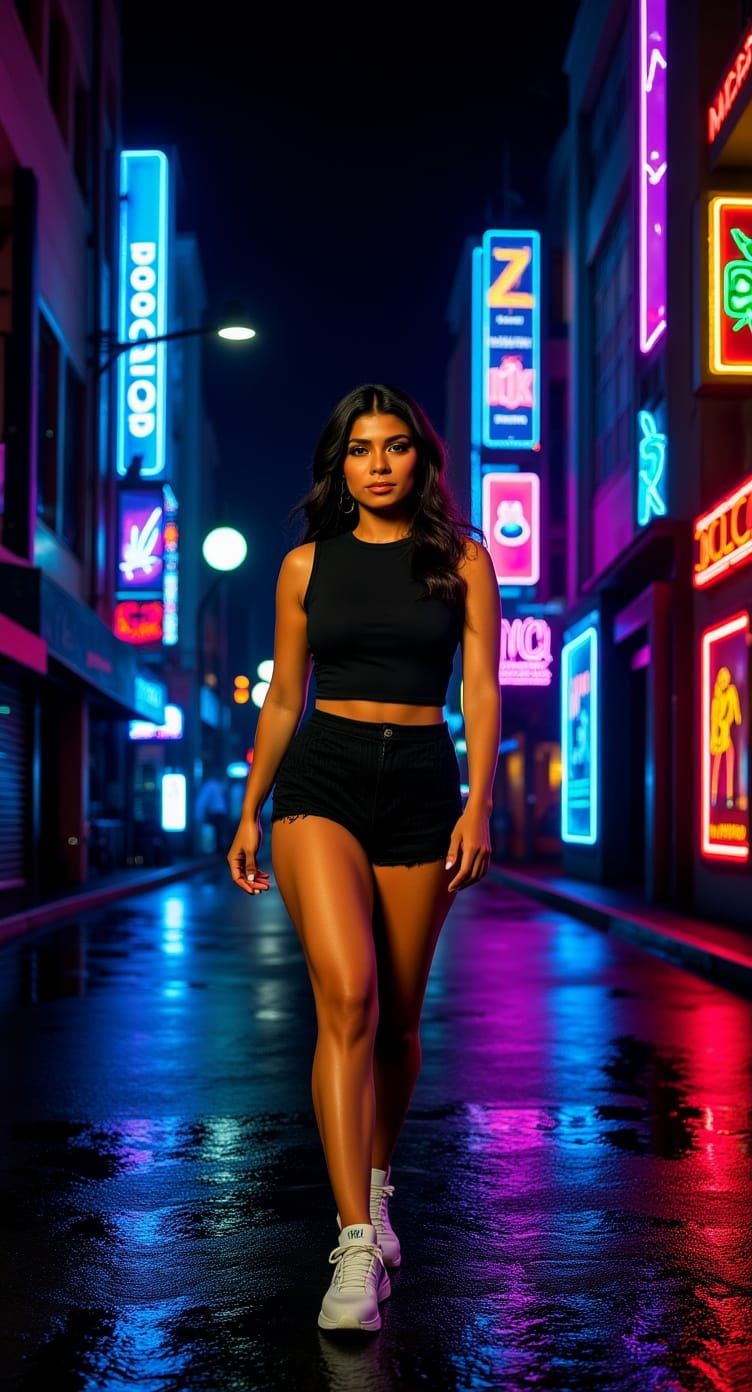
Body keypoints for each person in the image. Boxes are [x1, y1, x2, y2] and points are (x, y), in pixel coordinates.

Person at [227, 383, 501, 1334]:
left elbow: (479, 685)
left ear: (421, 460)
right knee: (349, 996)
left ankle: (377, 1189)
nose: (378, 463)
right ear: (338, 463)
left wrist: (480, 804)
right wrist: (251, 808)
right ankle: (351, 1244)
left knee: (398, 1021)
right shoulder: (305, 565)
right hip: (324, 777)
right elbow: (280, 699)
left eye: (394, 447)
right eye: (358, 448)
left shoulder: (463, 559)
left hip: (425, 779)